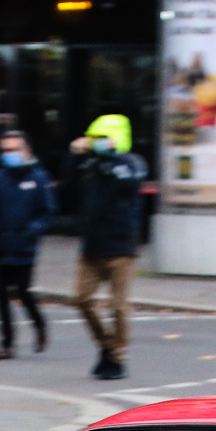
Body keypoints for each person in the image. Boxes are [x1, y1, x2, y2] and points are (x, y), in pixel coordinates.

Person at [67, 113, 147, 380]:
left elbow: (125, 183)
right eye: (94, 138)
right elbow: (68, 185)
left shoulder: (131, 162)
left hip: (121, 245)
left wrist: (104, 157)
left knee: (117, 306)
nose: (97, 143)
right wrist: (75, 157)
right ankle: (107, 345)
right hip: (92, 244)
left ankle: (118, 355)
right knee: (81, 298)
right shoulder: (90, 163)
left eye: (103, 138)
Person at [0, 131, 57, 359]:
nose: (9, 154)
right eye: (5, 150)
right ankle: (6, 342)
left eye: (14, 149)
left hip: (25, 245)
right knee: (3, 294)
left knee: (23, 291)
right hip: (2, 244)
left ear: (27, 151)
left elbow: (48, 211)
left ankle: (39, 325)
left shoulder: (39, 178)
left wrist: (32, 231)